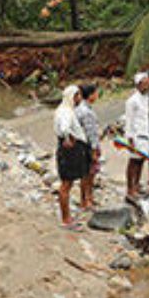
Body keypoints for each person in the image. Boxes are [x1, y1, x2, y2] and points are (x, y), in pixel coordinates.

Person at [54, 85, 89, 230]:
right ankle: (66, 219)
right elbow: (64, 128)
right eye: (78, 95)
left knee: (67, 184)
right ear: (72, 97)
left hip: (67, 147)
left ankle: (66, 216)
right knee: (66, 184)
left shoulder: (63, 110)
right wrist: (69, 138)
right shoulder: (66, 112)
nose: (80, 98)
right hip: (69, 150)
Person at [124, 73, 149, 201]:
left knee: (141, 161)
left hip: (145, 133)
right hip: (135, 135)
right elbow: (129, 121)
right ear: (139, 84)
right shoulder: (132, 101)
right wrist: (130, 139)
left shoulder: (146, 98)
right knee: (133, 162)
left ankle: (136, 185)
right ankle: (130, 189)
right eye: (146, 82)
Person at [76, 84, 101, 210]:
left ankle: (88, 198)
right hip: (88, 146)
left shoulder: (83, 109)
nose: (97, 95)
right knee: (87, 175)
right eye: (96, 93)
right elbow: (90, 132)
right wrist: (94, 150)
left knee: (89, 174)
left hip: (85, 145)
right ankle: (85, 200)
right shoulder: (86, 112)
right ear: (90, 95)